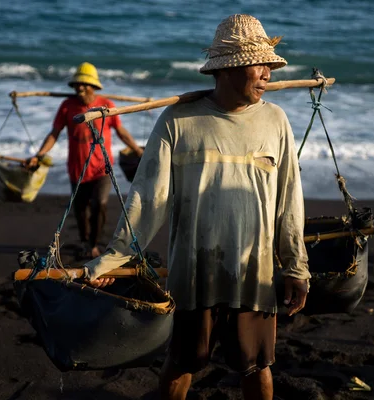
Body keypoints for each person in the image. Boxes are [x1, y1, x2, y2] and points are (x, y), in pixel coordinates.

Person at [86, 14, 311, 400]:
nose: (268, 74)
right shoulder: (179, 121)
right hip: (193, 273)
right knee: (182, 362)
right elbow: (148, 198)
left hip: (254, 273)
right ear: (228, 69)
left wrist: (295, 265)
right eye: (260, 64)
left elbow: (289, 198)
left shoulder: (276, 120)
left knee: (257, 366)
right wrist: (115, 256)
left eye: (270, 66)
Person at [26, 62, 144, 259]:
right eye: (77, 85)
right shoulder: (67, 106)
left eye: (85, 85)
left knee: (100, 203)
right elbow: (54, 133)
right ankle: (84, 241)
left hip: (102, 169)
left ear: (94, 87)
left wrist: (137, 150)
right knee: (81, 208)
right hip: (77, 169)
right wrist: (39, 155)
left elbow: (120, 131)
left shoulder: (106, 105)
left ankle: (94, 244)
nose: (80, 89)